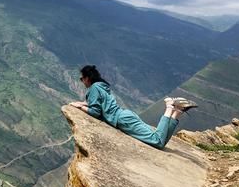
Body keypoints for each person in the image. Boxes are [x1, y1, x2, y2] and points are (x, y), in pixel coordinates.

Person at [69, 64, 197, 149]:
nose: (82, 81)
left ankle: (169, 107)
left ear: (87, 78)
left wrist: (79, 107)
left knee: (156, 141)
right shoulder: (101, 86)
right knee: (161, 142)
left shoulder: (93, 88)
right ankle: (177, 112)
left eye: (82, 79)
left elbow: (95, 111)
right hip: (125, 116)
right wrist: (82, 103)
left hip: (122, 120)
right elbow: (99, 104)